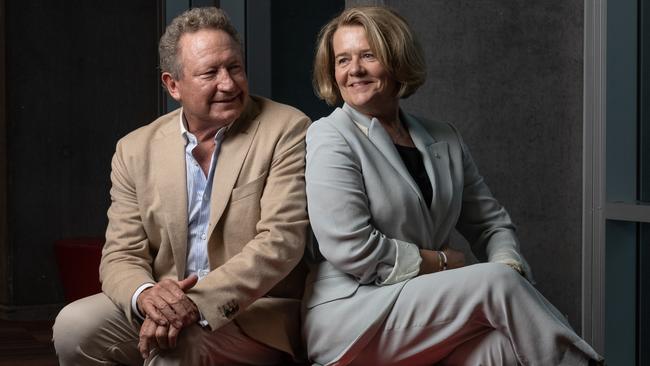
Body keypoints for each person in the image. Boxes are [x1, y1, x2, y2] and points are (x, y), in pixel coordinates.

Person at [302, 6, 604, 366]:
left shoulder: (444, 137)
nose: (354, 70)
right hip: (353, 313)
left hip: (423, 311)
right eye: (342, 60)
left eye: (368, 55)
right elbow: (350, 247)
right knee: (495, 286)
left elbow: (492, 223)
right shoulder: (329, 136)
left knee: (510, 345)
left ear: (397, 59)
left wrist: (507, 265)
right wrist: (442, 262)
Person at [53, 7, 310, 365]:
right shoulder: (134, 149)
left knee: (175, 347)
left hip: (255, 312)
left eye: (234, 67)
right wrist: (147, 298)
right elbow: (121, 255)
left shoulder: (286, 128)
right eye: (210, 73)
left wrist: (193, 304)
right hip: (165, 304)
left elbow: (281, 241)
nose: (229, 83)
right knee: (73, 327)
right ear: (172, 85)